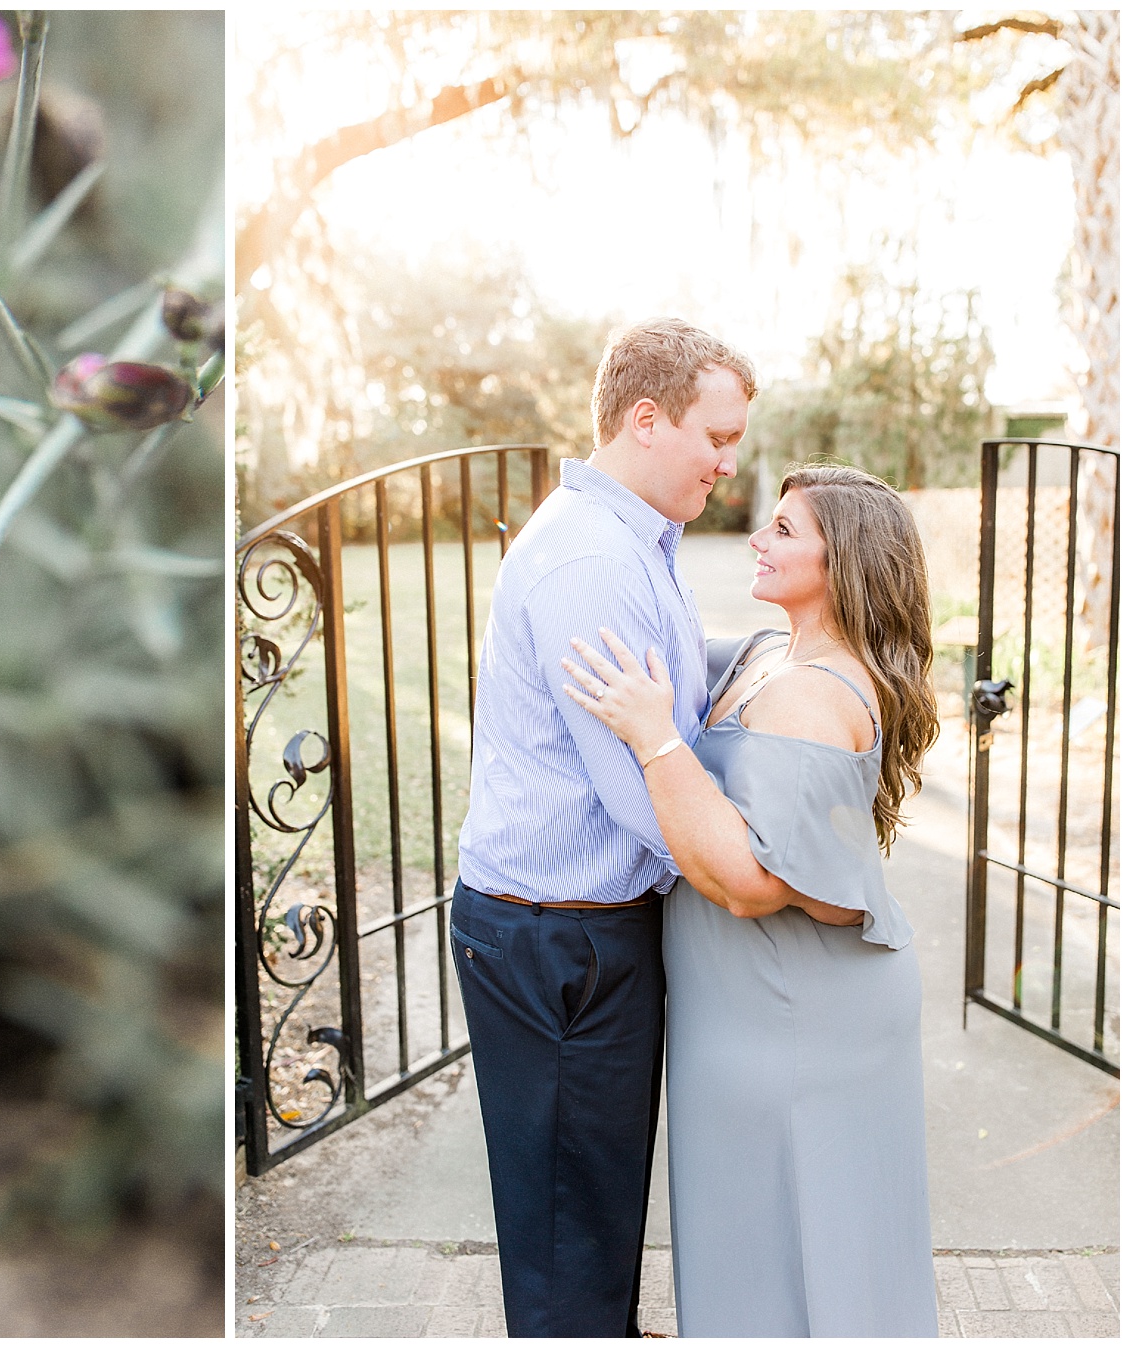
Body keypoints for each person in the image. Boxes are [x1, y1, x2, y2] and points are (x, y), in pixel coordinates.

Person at [562, 463, 940, 1337]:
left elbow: (748, 882)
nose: (755, 540)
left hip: (795, 1022)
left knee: (799, 1242)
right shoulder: (776, 652)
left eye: (782, 530)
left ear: (841, 560)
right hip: (750, 1012)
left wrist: (654, 737)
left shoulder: (814, 692)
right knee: (753, 1235)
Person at [451, 317, 755, 1336]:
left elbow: (678, 674)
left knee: (595, 1199)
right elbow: (642, 793)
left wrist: (778, 656)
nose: (728, 459)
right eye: (717, 435)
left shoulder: (633, 543)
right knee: (565, 1226)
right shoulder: (588, 559)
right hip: (556, 941)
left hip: (583, 931)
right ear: (645, 418)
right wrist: (754, 877)